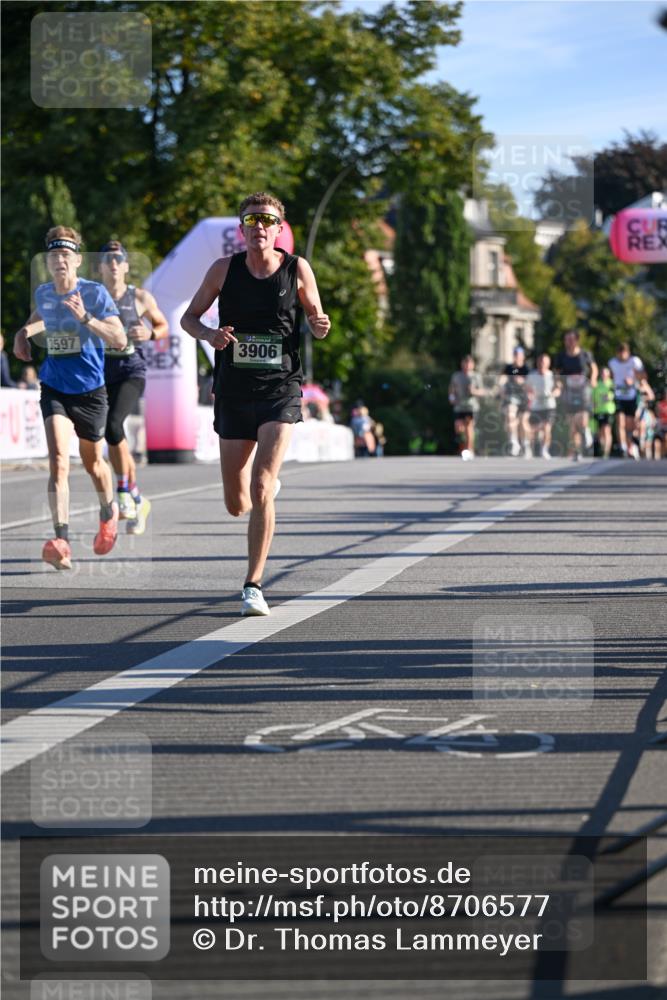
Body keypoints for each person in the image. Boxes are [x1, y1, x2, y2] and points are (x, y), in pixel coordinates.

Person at [181, 192, 330, 616]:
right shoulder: (222, 270)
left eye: (267, 220)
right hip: (233, 389)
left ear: (279, 228)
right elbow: (189, 318)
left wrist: (320, 326)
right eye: (252, 220)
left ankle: (253, 585)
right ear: (242, 229)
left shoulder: (296, 268)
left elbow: (318, 321)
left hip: (280, 389)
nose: (259, 227)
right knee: (237, 502)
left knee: (262, 485)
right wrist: (209, 336)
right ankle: (260, 492)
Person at [13, 226, 126, 569]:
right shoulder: (46, 293)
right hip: (55, 387)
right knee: (59, 459)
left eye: (66, 254)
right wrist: (22, 333)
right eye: (54, 255)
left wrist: (86, 318)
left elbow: (119, 339)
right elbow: (39, 320)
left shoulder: (94, 293)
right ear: (48, 262)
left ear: (77, 260)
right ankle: (61, 539)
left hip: (91, 390)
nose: (60, 260)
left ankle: (109, 512)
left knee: (93, 463)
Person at [99, 240, 169, 533]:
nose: (114, 264)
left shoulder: (139, 297)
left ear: (126, 266)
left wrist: (150, 332)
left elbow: (163, 326)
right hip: (101, 372)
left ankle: (124, 492)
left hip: (132, 370)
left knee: (113, 426)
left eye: (119, 259)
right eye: (108, 259)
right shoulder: (93, 297)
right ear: (101, 267)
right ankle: (139, 500)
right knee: (116, 436)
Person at [553, 330, 598, 461]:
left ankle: (586, 431)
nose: (568, 342)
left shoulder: (585, 354)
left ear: (576, 340)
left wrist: (593, 379)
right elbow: (557, 372)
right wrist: (558, 384)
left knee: (582, 419)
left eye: (571, 339)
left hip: (583, 389)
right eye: (566, 339)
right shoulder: (561, 356)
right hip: (569, 391)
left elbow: (594, 368)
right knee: (572, 424)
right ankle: (577, 451)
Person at [608, 342, 644, 460]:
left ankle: (631, 446)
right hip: (618, 396)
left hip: (631, 396)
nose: (621, 355)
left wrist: (633, 381)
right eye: (619, 353)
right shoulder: (612, 363)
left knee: (630, 425)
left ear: (628, 353)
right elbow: (610, 376)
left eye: (624, 353)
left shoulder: (635, 361)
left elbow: (643, 376)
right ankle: (623, 447)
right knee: (620, 422)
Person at [448, 355, 484, 460]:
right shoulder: (456, 376)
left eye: (469, 363)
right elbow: (452, 388)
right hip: (459, 406)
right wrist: (451, 397)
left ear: (473, 365)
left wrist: (474, 391)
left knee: (469, 428)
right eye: (465, 363)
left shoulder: (476, 376)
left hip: (471, 406)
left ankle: (469, 450)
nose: (467, 365)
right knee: (459, 428)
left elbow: (482, 391)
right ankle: (464, 448)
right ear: (462, 364)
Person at [525, 353, 559, 459]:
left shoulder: (552, 376)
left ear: (548, 364)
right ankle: (529, 449)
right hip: (536, 406)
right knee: (533, 429)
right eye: (540, 362)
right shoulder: (531, 375)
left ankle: (544, 449)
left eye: (544, 362)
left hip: (549, 405)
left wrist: (553, 394)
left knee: (547, 428)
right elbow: (527, 388)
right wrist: (529, 395)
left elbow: (558, 389)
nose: (542, 364)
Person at [499, 346, 530, 457]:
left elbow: (531, 383)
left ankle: (525, 444)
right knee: (510, 416)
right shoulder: (509, 368)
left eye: (519, 354)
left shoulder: (526, 369)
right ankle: (514, 442)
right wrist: (500, 385)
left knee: (523, 422)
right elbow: (502, 378)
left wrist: (523, 381)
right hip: (511, 397)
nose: (517, 357)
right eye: (515, 354)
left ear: (523, 356)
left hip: (524, 398)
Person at [591, 366, 616, 459]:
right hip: (598, 411)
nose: (604, 375)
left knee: (606, 430)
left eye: (606, 373)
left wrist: (603, 399)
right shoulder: (597, 384)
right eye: (603, 373)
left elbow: (610, 397)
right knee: (600, 433)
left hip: (608, 410)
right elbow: (594, 397)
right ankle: (602, 450)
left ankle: (606, 453)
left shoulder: (612, 384)